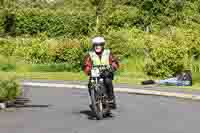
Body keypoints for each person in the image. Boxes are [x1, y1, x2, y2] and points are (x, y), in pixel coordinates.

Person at [83, 37, 119, 109]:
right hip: (95, 74)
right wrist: (88, 70)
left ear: (102, 45)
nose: (97, 46)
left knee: (108, 81)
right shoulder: (90, 54)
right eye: (95, 45)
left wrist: (112, 68)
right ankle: (94, 101)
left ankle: (111, 99)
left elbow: (114, 62)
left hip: (106, 73)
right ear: (93, 46)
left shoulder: (108, 53)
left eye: (99, 45)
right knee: (90, 84)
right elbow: (86, 64)